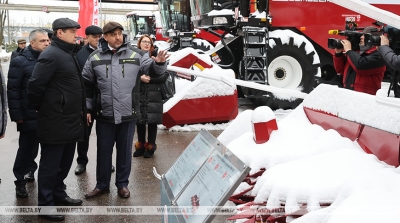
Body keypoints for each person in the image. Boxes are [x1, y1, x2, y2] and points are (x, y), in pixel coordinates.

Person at [82, 21, 168, 199]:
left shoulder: (136, 54)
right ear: (105, 37)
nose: (117, 37)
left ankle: (122, 184)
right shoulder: (95, 57)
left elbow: (152, 70)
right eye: (113, 34)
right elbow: (87, 85)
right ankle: (102, 185)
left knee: (124, 151)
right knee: (103, 152)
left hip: (128, 113)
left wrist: (159, 63)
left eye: (120, 33)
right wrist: (88, 108)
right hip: (105, 114)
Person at [27, 18, 85, 221]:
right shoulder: (51, 55)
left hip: (69, 119)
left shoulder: (67, 53)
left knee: (64, 162)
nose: (76, 34)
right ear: (59, 33)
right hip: (55, 120)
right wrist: (41, 108)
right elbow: (35, 86)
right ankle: (45, 204)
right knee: (50, 165)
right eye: (72, 31)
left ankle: (59, 194)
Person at [7, 29, 49, 198]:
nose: (47, 43)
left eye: (48, 40)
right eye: (43, 41)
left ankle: (38, 176)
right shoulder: (20, 62)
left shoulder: (49, 60)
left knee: (48, 150)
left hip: (49, 115)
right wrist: (17, 116)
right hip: (28, 115)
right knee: (26, 150)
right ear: (32, 43)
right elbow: (13, 90)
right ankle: (20, 182)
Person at [75, 25, 118, 175]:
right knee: (84, 134)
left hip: (104, 101)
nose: (97, 39)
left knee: (106, 137)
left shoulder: (110, 52)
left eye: (99, 36)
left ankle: (107, 162)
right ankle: (81, 161)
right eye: (94, 36)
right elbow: (81, 81)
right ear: (86, 38)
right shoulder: (80, 55)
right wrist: (85, 106)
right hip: (87, 101)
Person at [133, 34, 169, 158]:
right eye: (144, 41)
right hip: (139, 92)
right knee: (140, 120)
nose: (147, 44)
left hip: (154, 93)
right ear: (139, 43)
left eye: (149, 42)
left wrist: (150, 78)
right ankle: (141, 145)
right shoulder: (134, 56)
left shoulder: (157, 56)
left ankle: (151, 146)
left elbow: (165, 75)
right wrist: (139, 78)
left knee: (152, 120)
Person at [333, 26, 386, 95]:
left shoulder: (379, 56)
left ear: (373, 38)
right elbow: (340, 70)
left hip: (365, 98)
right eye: (361, 35)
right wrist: (338, 54)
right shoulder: (356, 53)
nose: (361, 37)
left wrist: (349, 50)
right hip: (349, 93)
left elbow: (360, 66)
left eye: (365, 35)